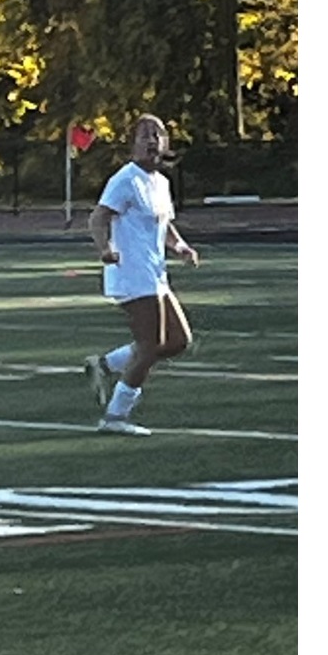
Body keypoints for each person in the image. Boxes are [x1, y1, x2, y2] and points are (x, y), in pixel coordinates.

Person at [84, 113, 199, 436]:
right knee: (149, 346)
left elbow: (164, 225)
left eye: (158, 135)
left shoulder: (160, 183)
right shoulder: (125, 179)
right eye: (145, 135)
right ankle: (115, 417)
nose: (152, 141)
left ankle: (106, 365)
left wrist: (180, 247)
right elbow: (98, 218)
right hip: (131, 273)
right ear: (133, 143)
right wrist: (104, 249)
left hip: (155, 273)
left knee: (178, 341)